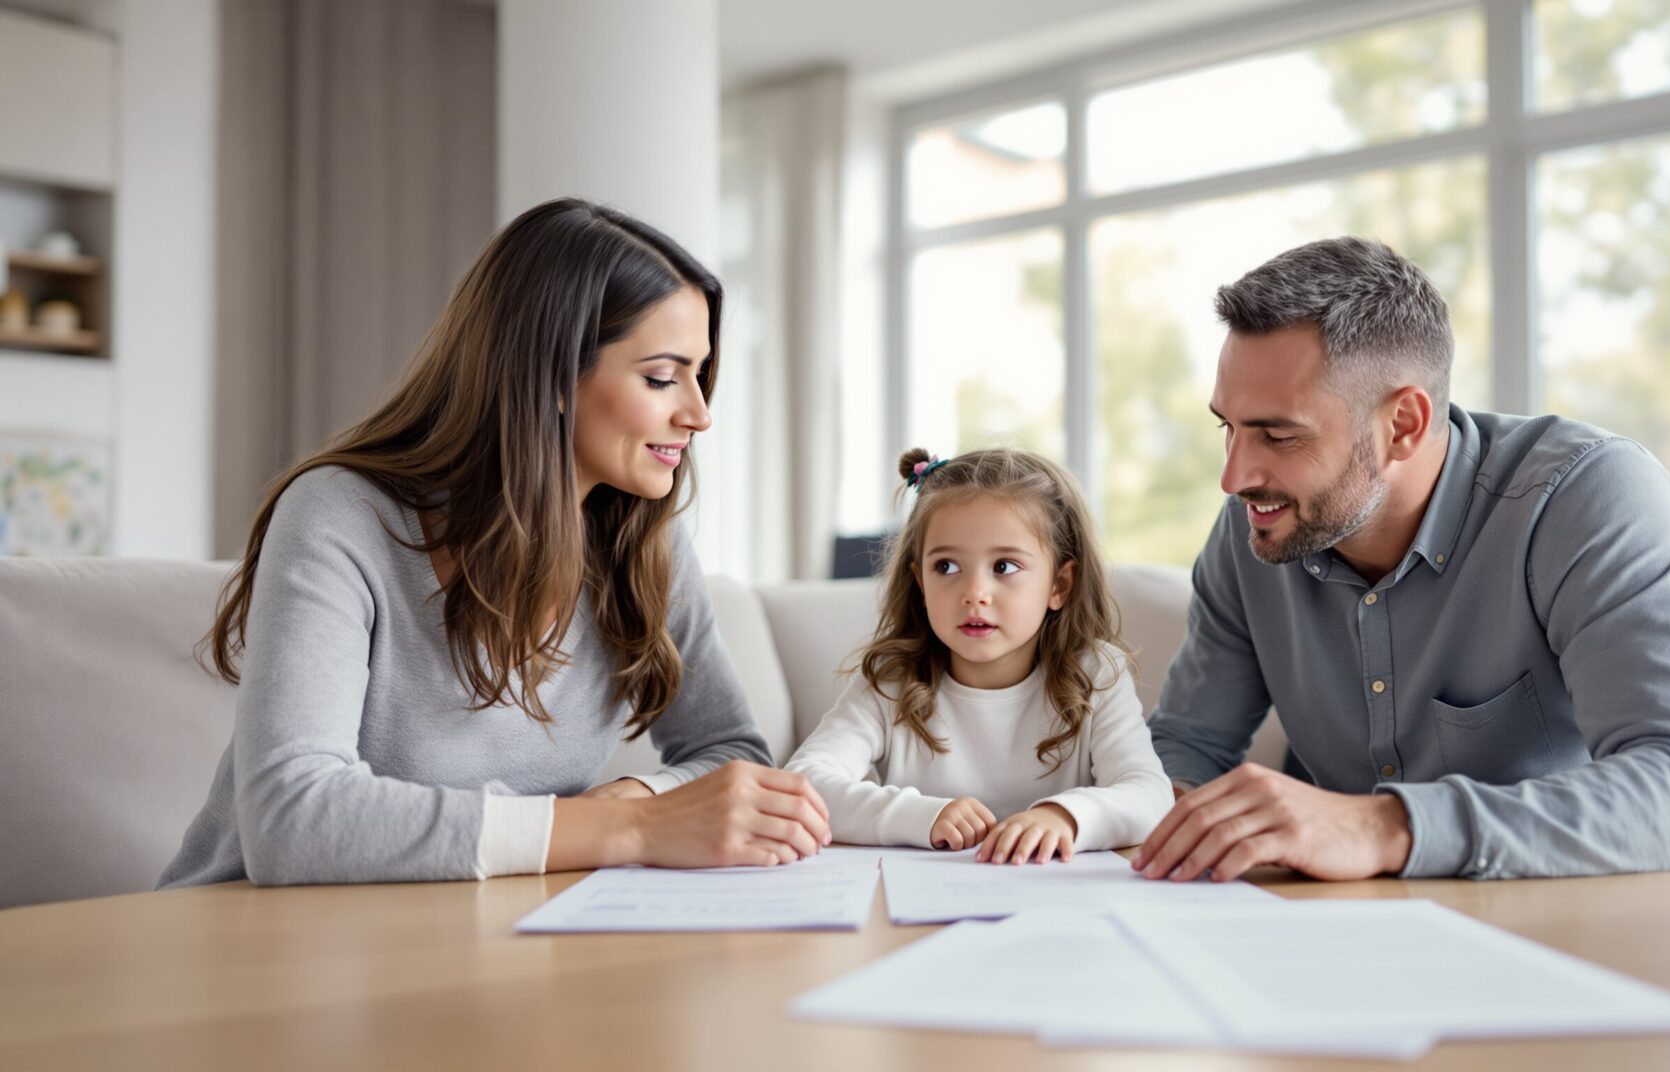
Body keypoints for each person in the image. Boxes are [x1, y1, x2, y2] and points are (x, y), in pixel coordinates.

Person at [159, 198, 830, 889]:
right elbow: (291, 820)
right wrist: (629, 830)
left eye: (699, 373)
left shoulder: (643, 543)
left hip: (475, 935)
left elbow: (729, 754)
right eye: (662, 377)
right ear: (553, 374)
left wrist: (637, 800)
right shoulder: (339, 515)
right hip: (254, 943)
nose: (698, 413)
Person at [1136, 236, 1670, 884]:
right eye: (1227, 428)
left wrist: (1382, 829)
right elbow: (1189, 746)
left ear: (1403, 425)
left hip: (1642, 921)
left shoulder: (1586, 499)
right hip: (1400, 935)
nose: (1234, 476)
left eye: (1277, 434)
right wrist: (1153, 813)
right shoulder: (1256, 529)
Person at [786, 447, 1173, 864]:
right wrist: (921, 816)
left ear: (1060, 585)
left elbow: (1150, 794)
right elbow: (803, 783)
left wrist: (1065, 817)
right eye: (947, 567)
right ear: (920, 583)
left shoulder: (1097, 672)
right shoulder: (892, 679)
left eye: (1004, 567)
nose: (974, 593)